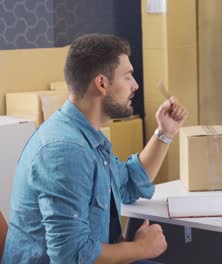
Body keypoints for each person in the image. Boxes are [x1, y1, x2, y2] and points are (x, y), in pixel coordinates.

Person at [2, 34, 188, 263]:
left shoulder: (87, 137)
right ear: (101, 83)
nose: (135, 85)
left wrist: (165, 133)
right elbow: (71, 256)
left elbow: (128, 183)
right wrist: (141, 248)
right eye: (128, 77)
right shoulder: (65, 151)